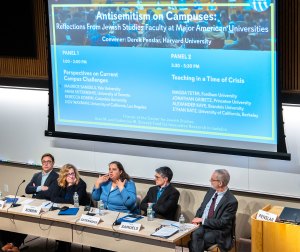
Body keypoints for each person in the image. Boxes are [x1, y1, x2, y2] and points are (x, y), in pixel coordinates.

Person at [1, 153, 58, 252]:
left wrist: (35, 189)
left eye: (49, 162)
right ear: (41, 163)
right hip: (33, 203)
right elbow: (27, 189)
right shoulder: (36, 175)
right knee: (21, 220)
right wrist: (40, 188)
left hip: (46, 205)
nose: (46, 164)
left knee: (28, 223)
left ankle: (13, 244)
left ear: (53, 164)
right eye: (44, 162)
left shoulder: (56, 177)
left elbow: (51, 193)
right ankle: (14, 245)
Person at [189, 169, 238, 252]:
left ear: (220, 183)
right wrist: (197, 218)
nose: (210, 181)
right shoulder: (210, 191)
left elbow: (222, 223)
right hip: (203, 225)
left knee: (197, 240)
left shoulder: (231, 201)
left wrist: (202, 220)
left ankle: (192, 245)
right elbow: (201, 208)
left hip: (219, 231)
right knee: (195, 234)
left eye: (212, 180)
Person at [50, 163, 88, 252]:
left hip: (79, 211)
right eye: (68, 174)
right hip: (65, 210)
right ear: (64, 175)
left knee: (65, 224)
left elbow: (74, 200)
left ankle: (63, 247)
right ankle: (62, 246)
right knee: (60, 223)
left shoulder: (81, 184)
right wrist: (66, 200)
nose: (71, 176)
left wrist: (71, 185)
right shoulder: (59, 181)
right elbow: (53, 198)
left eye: (72, 173)